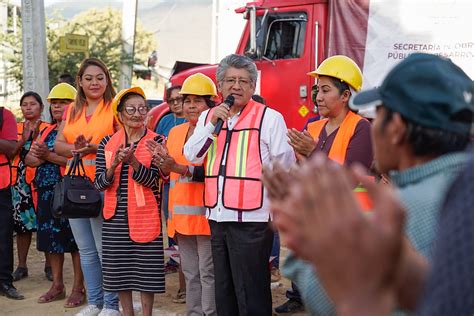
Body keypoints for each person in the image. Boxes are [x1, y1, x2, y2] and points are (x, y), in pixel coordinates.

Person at [264, 53, 473, 315]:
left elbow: (329, 301)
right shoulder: (461, 192)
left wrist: (301, 232)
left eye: (379, 115)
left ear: (395, 128)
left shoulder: (401, 210)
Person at [184, 54, 296, 315]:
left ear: (253, 87)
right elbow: (192, 155)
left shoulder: (269, 118)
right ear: (219, 85)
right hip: (218, 216)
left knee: (251, 290)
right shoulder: (208, 118)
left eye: (244, 81)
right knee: (224, 290)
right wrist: (211, 125)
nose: (237, 86)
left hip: (253, 220)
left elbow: (284, 165)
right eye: (231, 80)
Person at [277, 55, 374, 314]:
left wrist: (312, 152)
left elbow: (352, 178)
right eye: (317, 90)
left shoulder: (361, 128)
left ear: (345, 96)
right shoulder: (313, 126)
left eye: (325, 90)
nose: (318, 97)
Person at [54, 57, 120, 316]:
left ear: (107, 80)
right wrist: (76, 149)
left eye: (100, 77)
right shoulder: (72, 110)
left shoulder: (114, 107)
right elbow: (58, 144)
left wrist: (97, 148)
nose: (94, 83)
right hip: (75, 187)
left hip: (104, 186)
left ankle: (112, 304)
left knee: (106, 250)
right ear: (79, 82)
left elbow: (124, 142)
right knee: (86, 250)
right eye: (89, 78)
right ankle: (95, 302)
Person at [94, 87, 166, 316]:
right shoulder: (107, 143)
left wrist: (133, 162)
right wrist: (114, 164)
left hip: (145, 217)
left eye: (142, 109)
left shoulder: (156, 141)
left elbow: (155, 181)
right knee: (119, 272)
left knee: (146, 273)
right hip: (115, 217)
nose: (137, 114)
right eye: (131, 109)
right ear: (120, 114)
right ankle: (127, 313)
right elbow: (99, 184)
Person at [151, 73, 217, 315]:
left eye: (198, 101)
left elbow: (210, 172)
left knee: (208, 273)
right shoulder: (176, 133)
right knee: (190, 273)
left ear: (211, 105)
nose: (191, 105)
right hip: (181, 217)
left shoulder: (217, 133)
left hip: (207, 216)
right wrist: (161, 163)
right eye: (187, 100)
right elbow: (169, 174)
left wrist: (177, 167)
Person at [25, 83, 85, 307]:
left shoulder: (75, 130)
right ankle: (58, 285)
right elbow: (29, 159)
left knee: (76, 243)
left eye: (63, 103)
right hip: (47, 194)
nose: (57, 107)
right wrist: (45, 156)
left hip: (70, 193)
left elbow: (76, 159)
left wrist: (48, 155)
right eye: (55, 103)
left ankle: (79, 287)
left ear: (73, 105)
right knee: (51, 241)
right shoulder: (47, 129)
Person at [10, 92, 51, 282]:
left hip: (42, 181)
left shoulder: (49, 129)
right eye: (24, 104)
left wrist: (35, 139)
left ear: (41, 107)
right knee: (22, 226)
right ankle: (22, 266)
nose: (28, 107)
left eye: (32, 104)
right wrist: (23, 138)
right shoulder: (15, 128)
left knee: (46, 223)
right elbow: (9, 154)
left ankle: (50, 265)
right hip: (19, 184)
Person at [155, 85, 187, 303]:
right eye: (172, 100)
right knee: (172, 228)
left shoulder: (196, 119)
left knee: (188, 235)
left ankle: (186, 287)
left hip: (190, 183)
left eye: (179, 99)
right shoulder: (164, 121)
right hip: (168, 185)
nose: (176, 104)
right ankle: (174, 262)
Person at [0, 106, 24, 300]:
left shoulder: (4, 115)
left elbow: (10, 148)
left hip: (1, 184)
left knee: (3, 235)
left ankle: (5, 282)